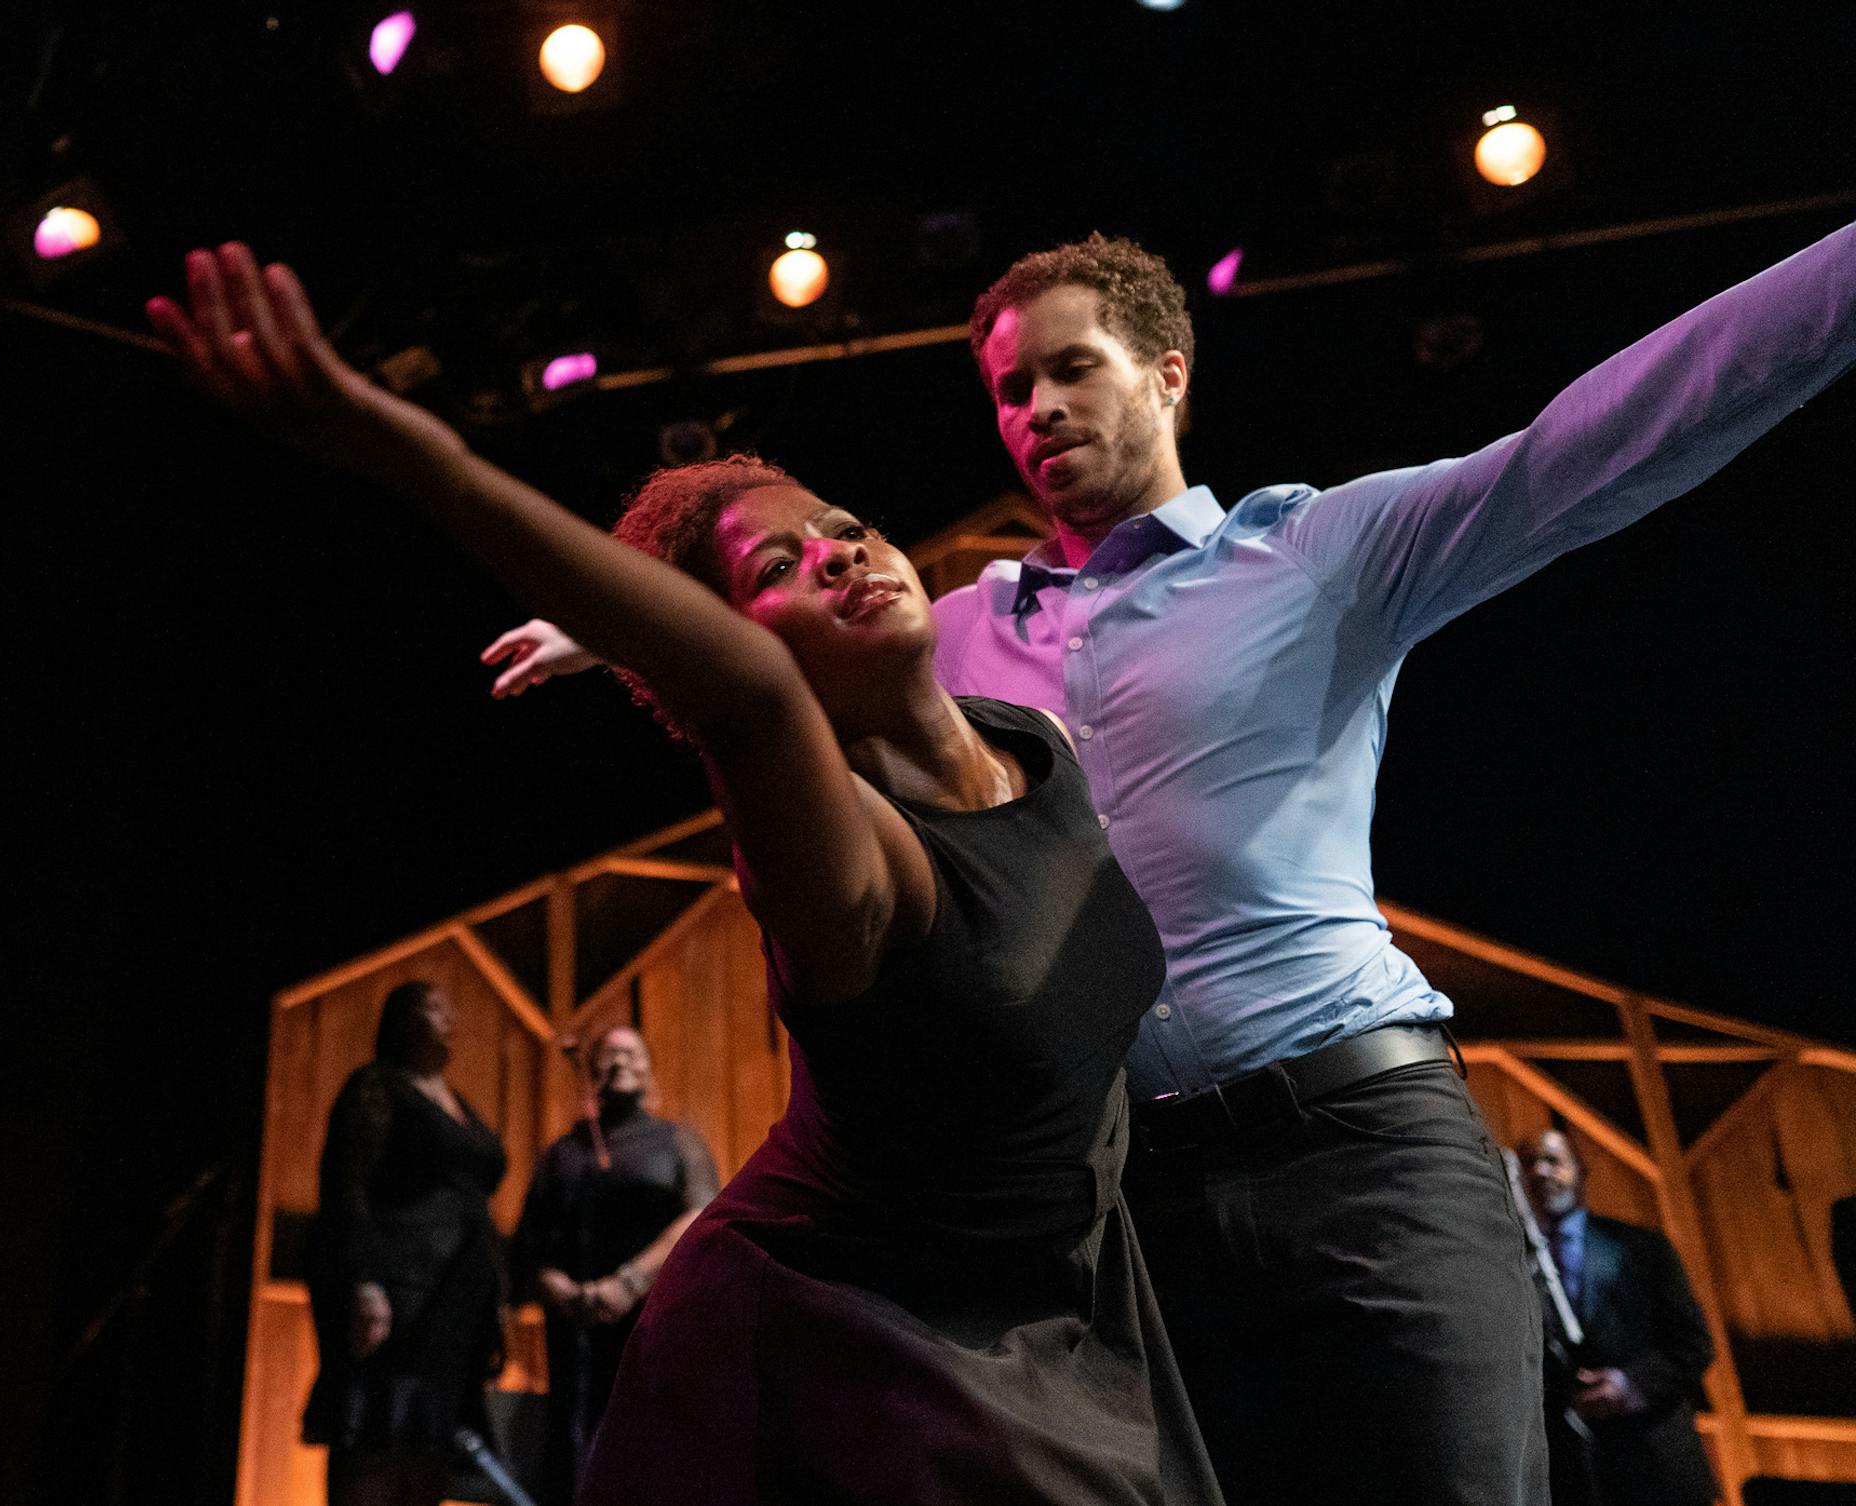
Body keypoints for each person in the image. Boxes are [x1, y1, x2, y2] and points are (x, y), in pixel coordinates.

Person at [482, 221, 1856, 1504]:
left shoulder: (1319, 549)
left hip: (1361, 1146)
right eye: (1012, 390)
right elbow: (772, 644)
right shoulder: (947, 628)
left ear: (1168, 374)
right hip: (1124, 1215)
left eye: (1074, 369)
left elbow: (1593, 443)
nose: (1039, 411)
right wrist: (635, 631)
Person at [149, 244, 1223, 1505]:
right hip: (861, 1351)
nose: (835, 554)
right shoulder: (856, 868)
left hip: (1057, 1313)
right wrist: (420, 459)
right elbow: (755, 700)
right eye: (775, 574)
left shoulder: (1028, 741)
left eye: (839, 527)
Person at [301, 980, 508, 1506]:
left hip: (453, 1304)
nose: (447, 1015)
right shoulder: (378, 1085)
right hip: (398, 1290)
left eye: (447, 1006)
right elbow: (345, 1184)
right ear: (402, 1018)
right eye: (432, 1005)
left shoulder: (457, 1100)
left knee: (427, 1439)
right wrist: (364, 1282)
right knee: (376, 1430)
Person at [510, 1025, 719, 1505]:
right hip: (574, 1334)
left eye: (632, 1053)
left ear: (647, 1072)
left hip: (654, 1329)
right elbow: (530, 1242)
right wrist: (557, 1288)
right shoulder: (563, 1153)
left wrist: (630, 1282)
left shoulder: (677, 1142)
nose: (620, 1060)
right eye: (609, 1052)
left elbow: (702, 1217)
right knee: (575, 1453)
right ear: (591, 1070)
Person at [1519, 1127, 1718, 1506]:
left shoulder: (1642, 1247)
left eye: (1553, 1161)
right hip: (1572, 1480)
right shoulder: (1513, 1268)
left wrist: (1632, 1384)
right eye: (1530, 1163)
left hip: (1656, 1466)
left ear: (1579, 1171)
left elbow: (1693, 1343)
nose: (1541, 1171)